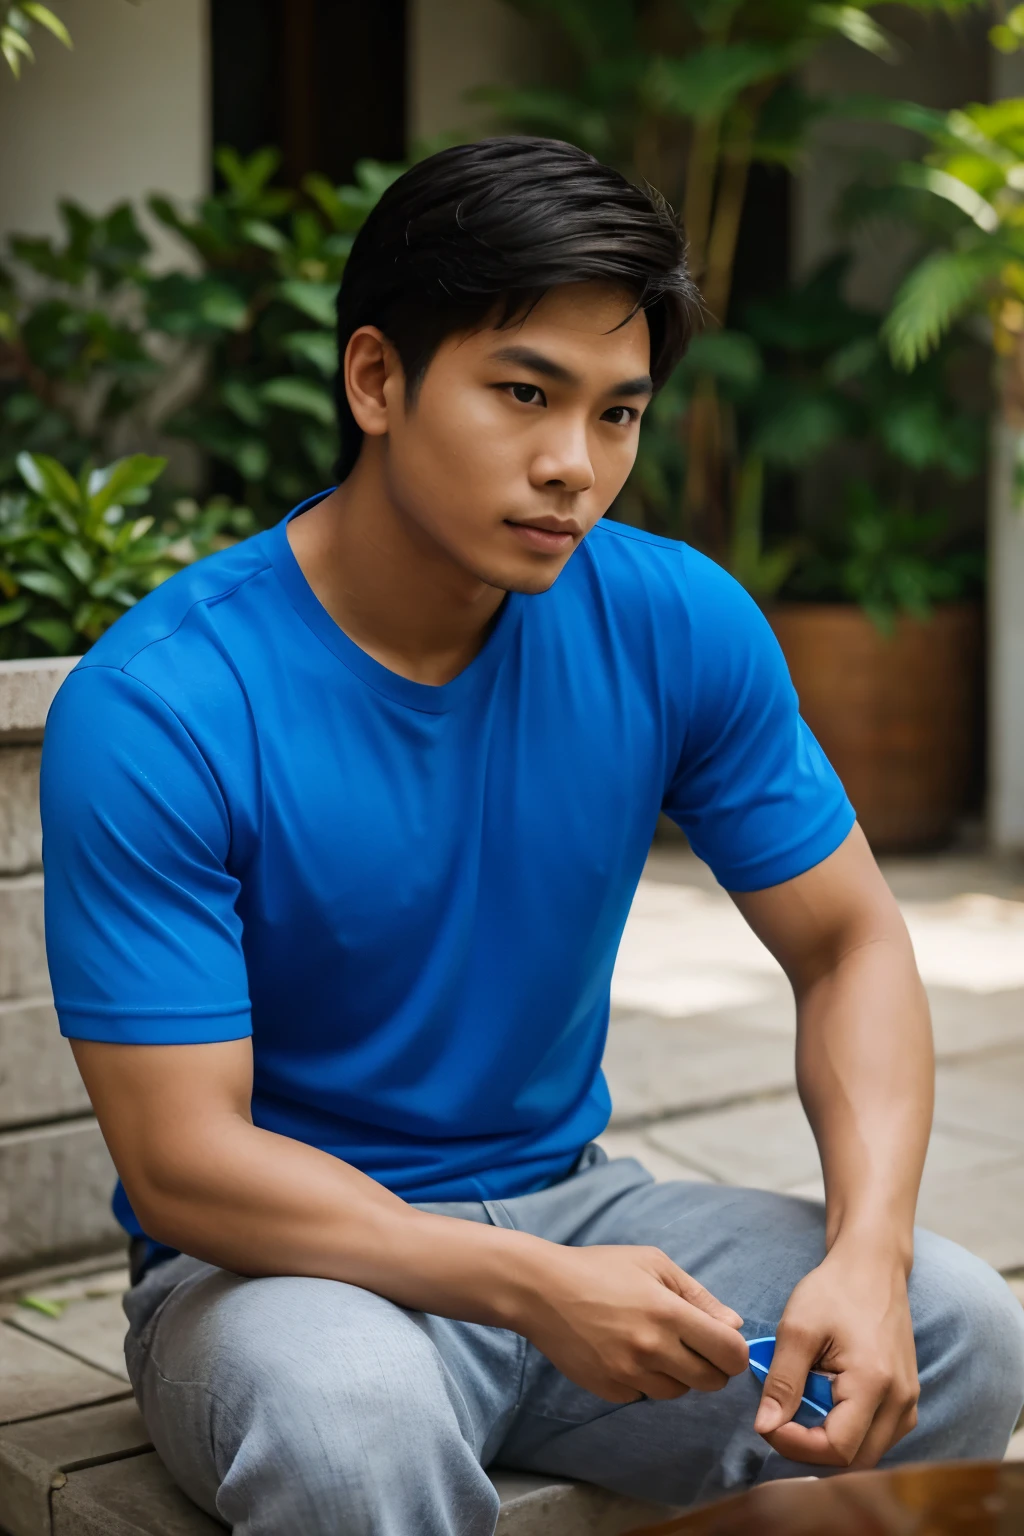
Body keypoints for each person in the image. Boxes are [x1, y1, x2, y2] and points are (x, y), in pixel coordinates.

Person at [41, 138, 1023, 1536]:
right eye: (523, 394)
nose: (575, 465)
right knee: (350, 1432)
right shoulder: (165, 706)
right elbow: (182, 1162)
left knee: (960, 1323)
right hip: (280, 1276)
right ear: (378, 379)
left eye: (618, 415)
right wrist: (529, 1291)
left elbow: (851, 942)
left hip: (574, 1204)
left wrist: (865, 1251)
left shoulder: (676, 622)